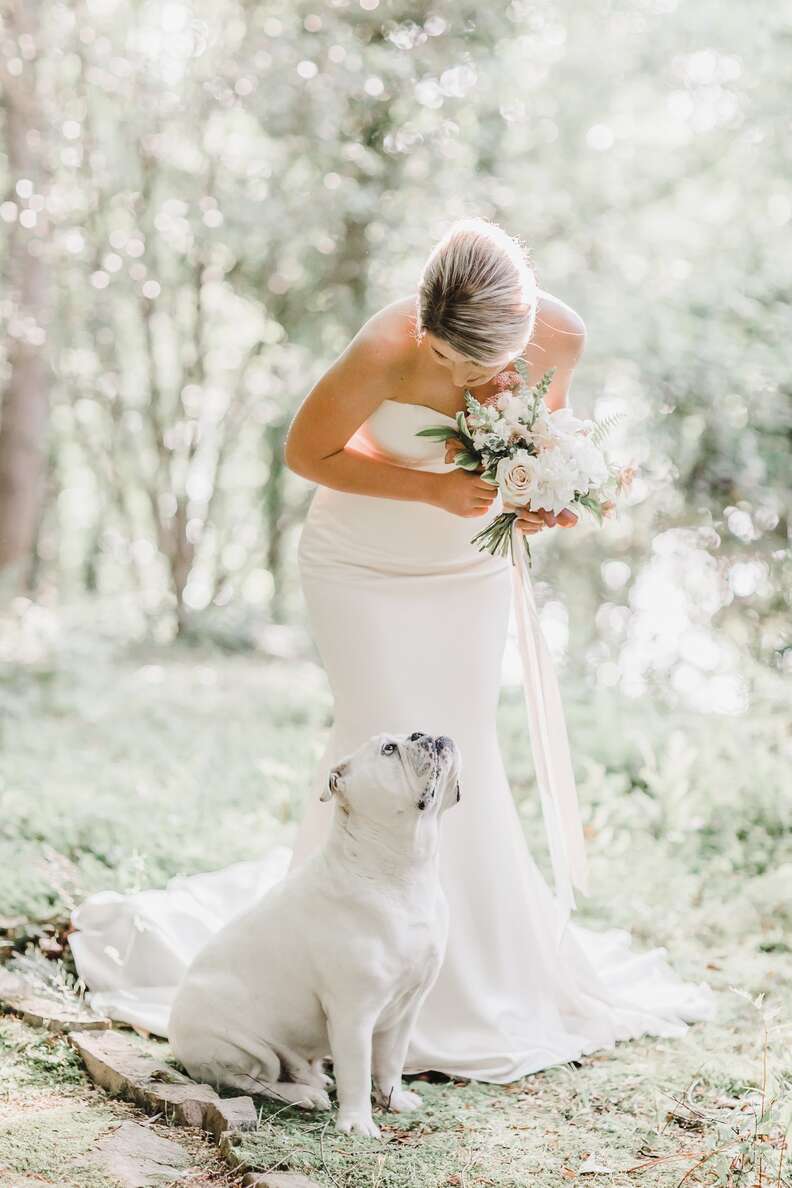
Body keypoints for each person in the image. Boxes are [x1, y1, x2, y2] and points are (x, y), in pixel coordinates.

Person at [68, 217, 715, 1080]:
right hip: (361, 565)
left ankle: (469, 977)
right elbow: (308, 451)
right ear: (424, 321)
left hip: (466, 574)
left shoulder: (562, 336)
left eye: (484, 363)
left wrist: (537, 499)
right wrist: (431, 485)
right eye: (448, 360)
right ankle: (333, 969)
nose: (467, 376)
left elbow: (532, 447)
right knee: (377, 741)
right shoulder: (385, 342)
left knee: (466, 747)